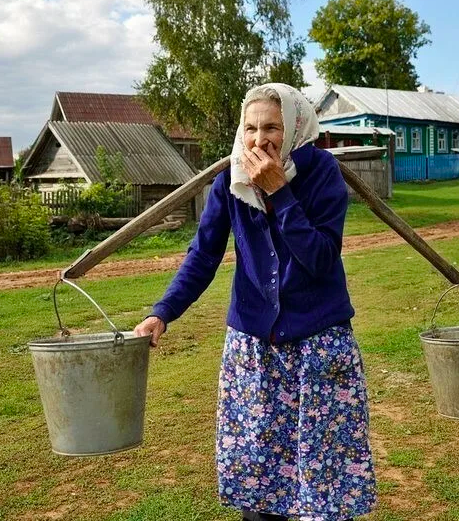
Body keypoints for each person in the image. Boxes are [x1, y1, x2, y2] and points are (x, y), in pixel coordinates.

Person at [134, 83, 376, 521]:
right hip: (253, 351)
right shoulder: (232, 178)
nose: (259, 140)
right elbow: (204, 254)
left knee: (322, 481)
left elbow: (320, 260)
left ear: (296, 129)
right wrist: (161, 312)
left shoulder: (322, 174)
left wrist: (281, 194)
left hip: (318, 348)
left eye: (271, 128)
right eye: (251, 128)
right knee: (258, 477)